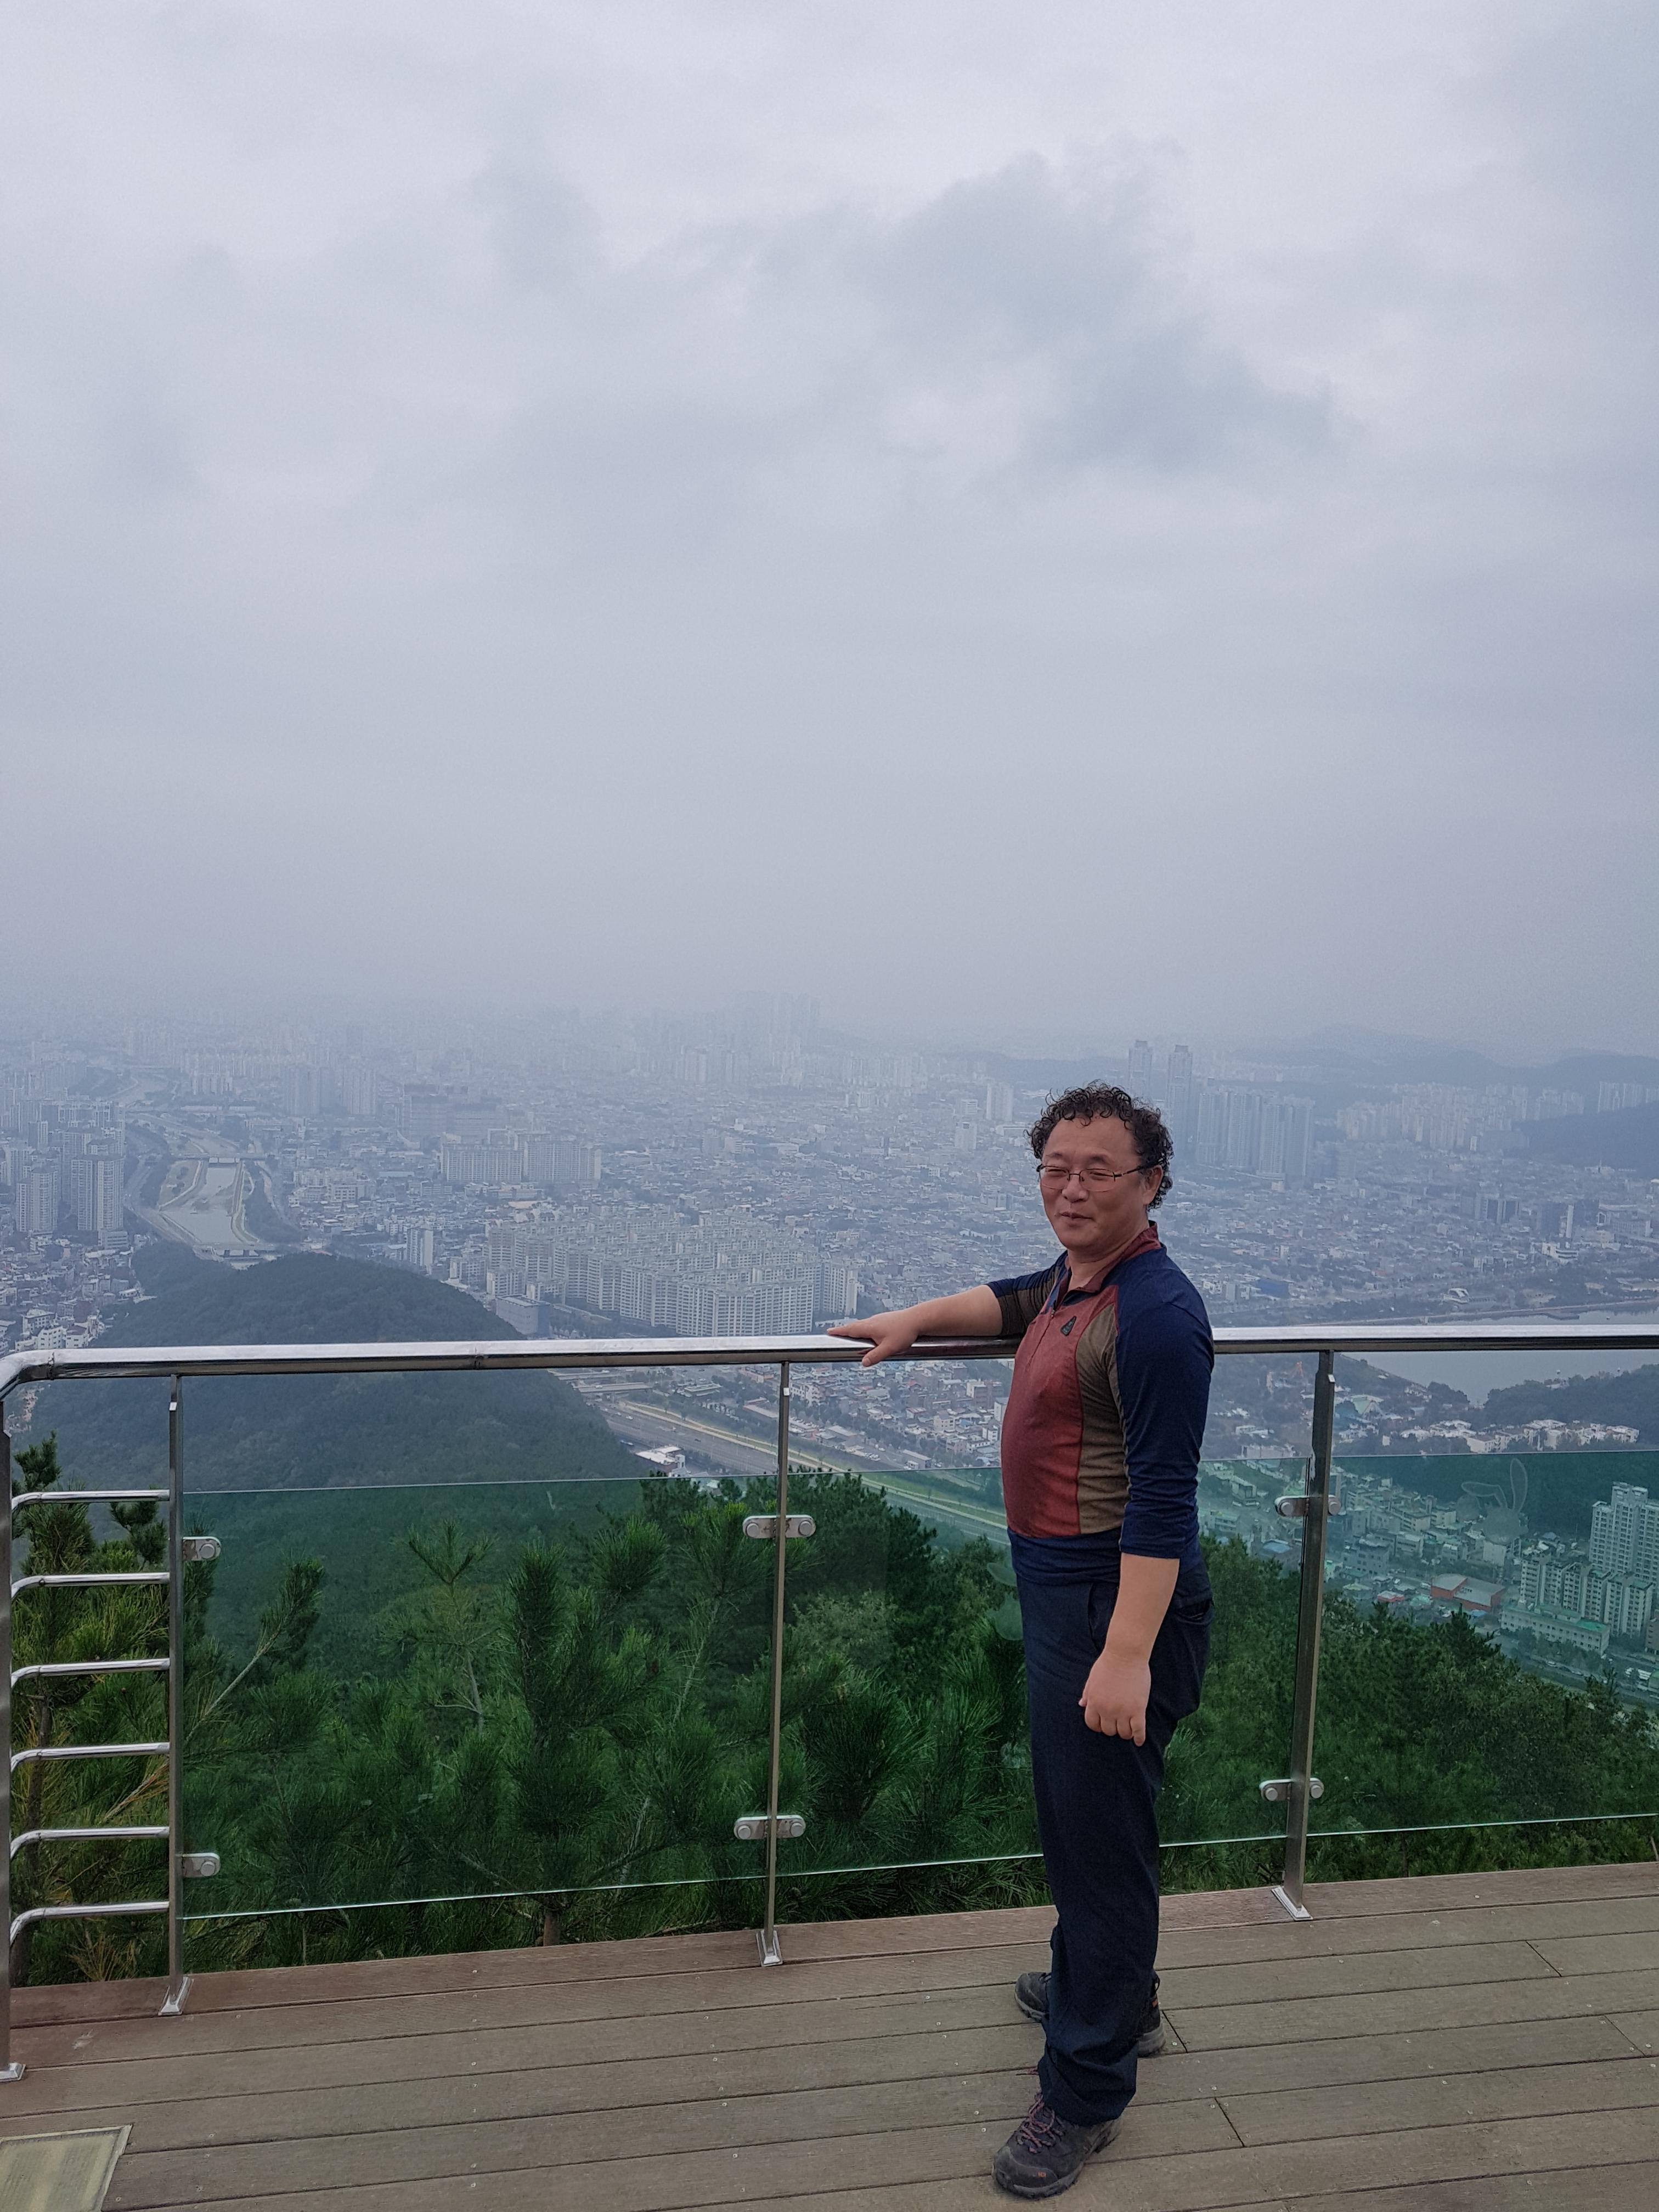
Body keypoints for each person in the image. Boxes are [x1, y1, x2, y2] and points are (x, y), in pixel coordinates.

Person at [828, 1081, 1213, 2198]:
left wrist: (1126, 1655)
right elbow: (1011, 1301)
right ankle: (1113, 1989)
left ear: (1152, 1183)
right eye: (1055, 1167)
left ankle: (1085, 2088)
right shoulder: (1081, 1280)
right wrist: (914, 1320)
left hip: (1112, 1601)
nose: (1071, 1188)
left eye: (1099, 1171)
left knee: (1099, 1848)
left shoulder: (1156, 1314)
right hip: (1068, 1591)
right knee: (1088, 1825)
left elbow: (1164, 1501)